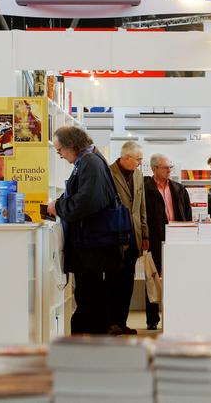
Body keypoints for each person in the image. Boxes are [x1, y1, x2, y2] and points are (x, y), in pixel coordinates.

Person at [47, 126, 121, 335]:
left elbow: (86, 202)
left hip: (91, 247)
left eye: (60, 149)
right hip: (92, 245)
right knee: (91, 297)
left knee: (90, 298)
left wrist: (58, 206)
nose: (60, 155)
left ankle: (88, 345)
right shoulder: (90, 160)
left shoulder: (89, 162)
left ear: (71, 145)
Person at [144, 153, 192, 330]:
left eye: (170, 167)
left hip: (177, 237)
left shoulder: (179, 188)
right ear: (154, 168)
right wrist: (144, 236)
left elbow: (187, 214)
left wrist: (188, 233)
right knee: (153, 277)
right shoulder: (145, 187)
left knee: (177, 276)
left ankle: (177, 314)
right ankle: (152, 319)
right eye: (165, 167)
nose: (169, 170)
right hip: (155, 237)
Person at [108, 141, 149, 335]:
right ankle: (111, 323)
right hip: (113, 237)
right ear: (126, 158)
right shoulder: (108, 174)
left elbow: (141, 207)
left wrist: (145, 233)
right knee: (112, 282)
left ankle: (122, 322)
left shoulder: (139, 176)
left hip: (134, 237)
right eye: (138, 160)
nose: (140, 163)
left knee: (127, 283)